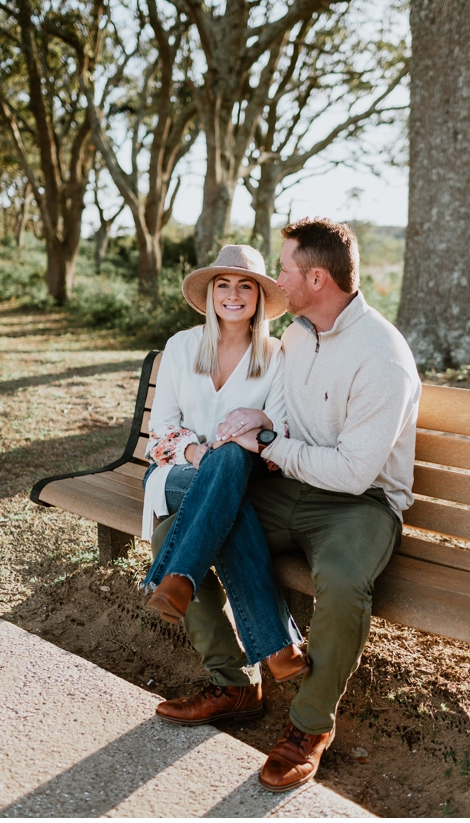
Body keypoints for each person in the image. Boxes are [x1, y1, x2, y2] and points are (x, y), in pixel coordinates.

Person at [151, 217, 421, 793]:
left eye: (284, 270)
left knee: (345, 585)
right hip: (289, 485)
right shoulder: (298, 334)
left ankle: (307, 728)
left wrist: (270, 441)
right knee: (180, 525)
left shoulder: (382, 357)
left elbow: (352, 473)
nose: (275, 280)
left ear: (317, 278)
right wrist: (264, 421)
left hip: (360, 504)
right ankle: (233, 684)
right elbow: (290, 416)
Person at [141, 244, 307, 685]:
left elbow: (282, 431)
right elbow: (160, 433)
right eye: (224, 285)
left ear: (258, 297)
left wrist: (260, 422)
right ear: (212, 293)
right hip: (176, 474)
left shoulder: (275, 356)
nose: (233, 294)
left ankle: (178, 576)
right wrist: (199, 454)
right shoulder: (181, 346)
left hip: (245, 479)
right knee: (224, 469)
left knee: (232, 458)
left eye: (244, 286)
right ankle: (276, 643)